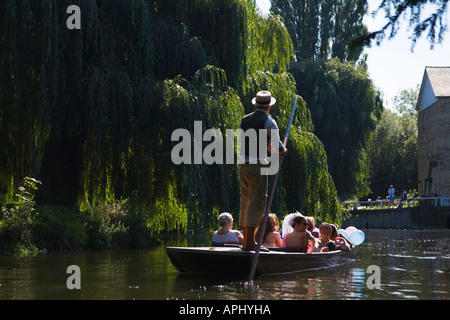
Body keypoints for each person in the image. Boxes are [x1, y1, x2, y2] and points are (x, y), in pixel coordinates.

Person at [238, 91, 287, 251]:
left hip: (243, 165)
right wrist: (282, 149)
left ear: (256, 104)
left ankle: (246, 242)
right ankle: (251, 243)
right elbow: (276, 146)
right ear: (270, 106)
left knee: (246, 202)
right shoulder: (268, 121)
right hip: (257, 165)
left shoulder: (245, 120)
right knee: (257, 203)